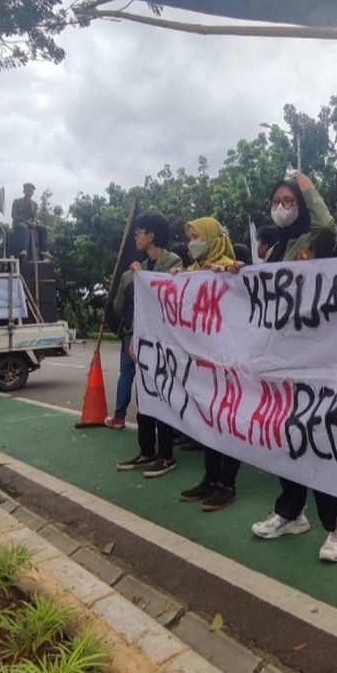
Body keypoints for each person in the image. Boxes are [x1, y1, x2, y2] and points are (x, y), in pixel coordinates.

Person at [250, 172, 337, 563]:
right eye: (276, 200)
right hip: (284, 361)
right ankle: (290, 512)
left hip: (318, 358)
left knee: (320, 437)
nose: (281, 207)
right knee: (286, 435)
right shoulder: (276, 250)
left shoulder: (315, 242)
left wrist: (307, 186)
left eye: (289, 200)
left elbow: (327, 224)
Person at [175, 217, 242, 512]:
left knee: (227, 421)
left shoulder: (229, 268)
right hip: (201, 362)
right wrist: (174, 280)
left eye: (196, 236)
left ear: (213, 238)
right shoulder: (191, 272)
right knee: (207, 421)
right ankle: (210, 478)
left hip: (228, 361)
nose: (192, 243)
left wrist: (229, 276)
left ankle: (227, 483)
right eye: (189, 237)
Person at [115, 213, 182, 477]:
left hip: (164, 342)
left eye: (139, 232)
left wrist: (142, 279)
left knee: (162, 395)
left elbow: (166, 299)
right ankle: (146, 451)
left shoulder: (171, 262)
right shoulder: (138, 267)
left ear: (151, 236)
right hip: (140, 341)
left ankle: (166, 456)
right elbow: (123, 307)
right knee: (144, 396)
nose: (136, 237)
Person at [11, 182, 50, 260]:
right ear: (24, 191)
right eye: (28, 191)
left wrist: (34, 223)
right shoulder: (17, 202)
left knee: (44, 228)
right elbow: (14, 216)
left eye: (31, 191)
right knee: (24, 228)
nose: (30, 193)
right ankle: (23, 249)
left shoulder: (34, 204)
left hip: (30, 223)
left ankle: (44, 250)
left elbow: (34, 216)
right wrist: (26, 222)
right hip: (19, 223)